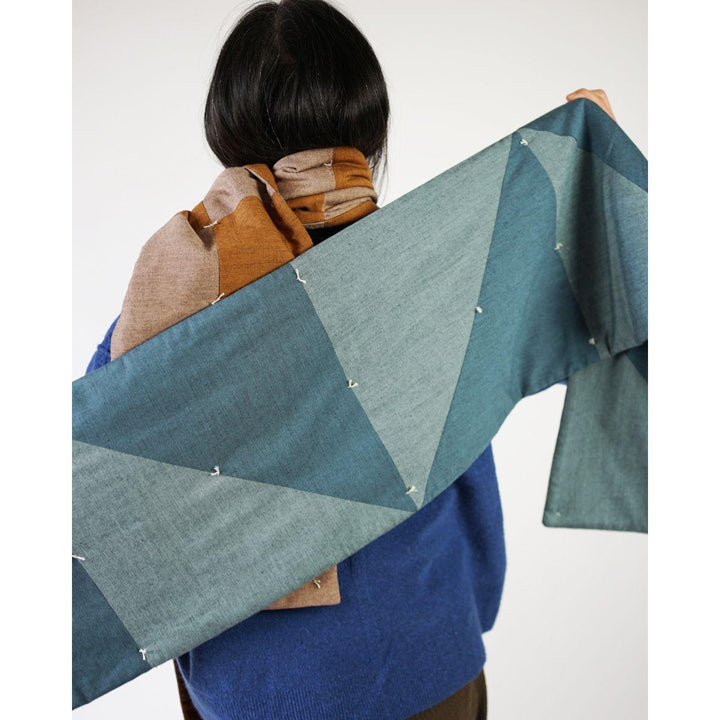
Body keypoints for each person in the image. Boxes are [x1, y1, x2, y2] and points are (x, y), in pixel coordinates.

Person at [84, 1, 616, 717]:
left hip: (254, 690)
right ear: (371, 127)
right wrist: (584, 163)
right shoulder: (431, 281)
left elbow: (102, 499)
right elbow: (472, 479)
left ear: (225, 130)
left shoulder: (164, 305)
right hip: (431, 657)